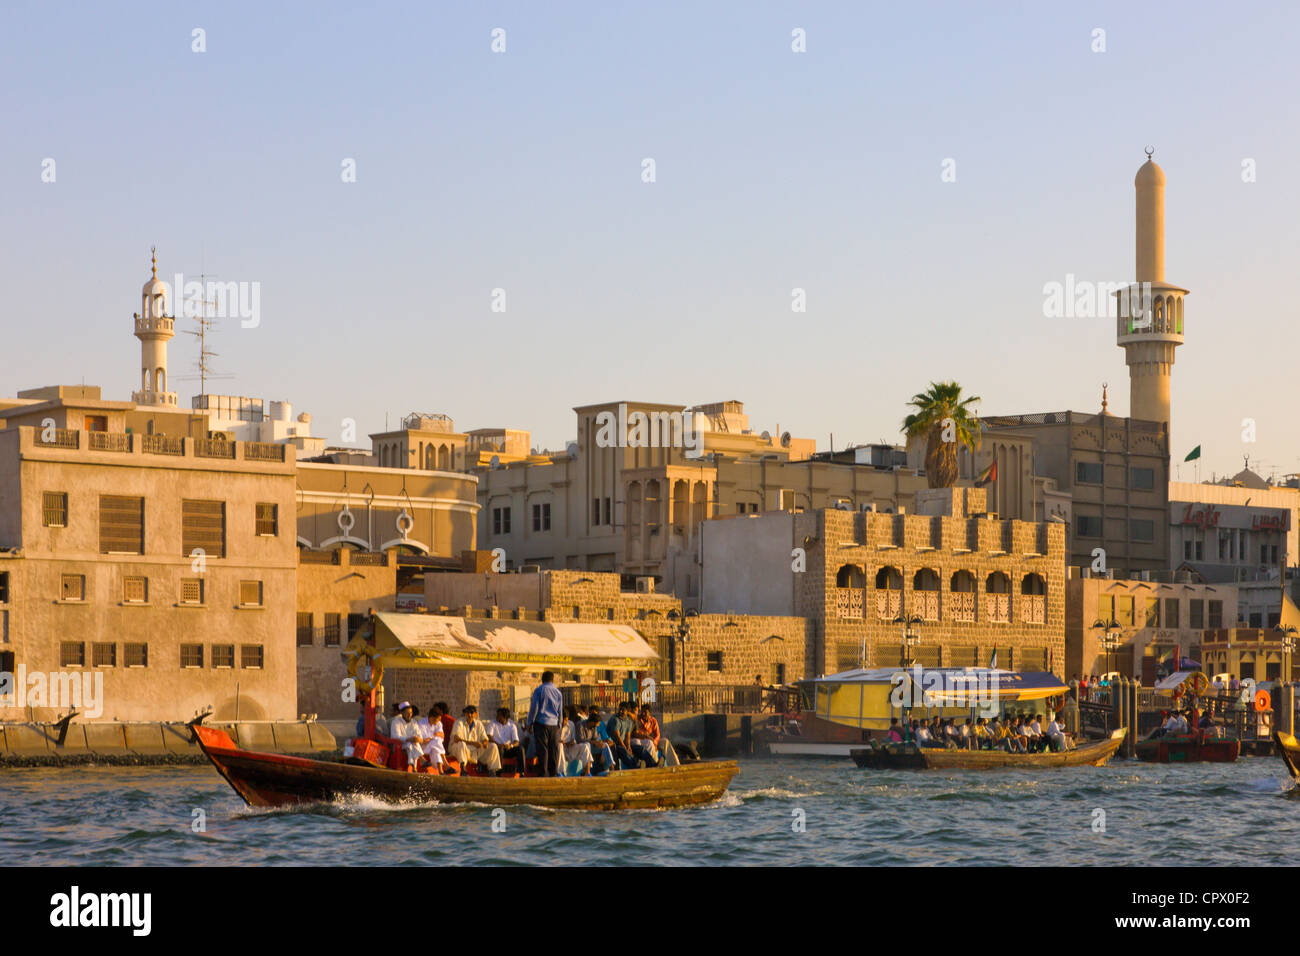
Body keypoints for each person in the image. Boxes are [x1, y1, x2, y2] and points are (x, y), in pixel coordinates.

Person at [527, 671, 564, 777]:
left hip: (541, 723)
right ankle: (553, 773)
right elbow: (560, 711)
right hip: (554, 725)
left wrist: (530, 723)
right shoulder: (558, 693)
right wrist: (559, 725)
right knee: (554, 750)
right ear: (552, 680)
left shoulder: (539, 690)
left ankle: (543, 774)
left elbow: (534, 708)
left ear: (542, 679)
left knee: (543, 750)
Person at [449, 705, 502, 775]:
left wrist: (484, 743)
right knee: (461, 744)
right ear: (465, 714)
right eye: (468, 713)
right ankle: (463, 768)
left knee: (493, 746)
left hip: (474, 750)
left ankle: (492, 771)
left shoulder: (479, 724)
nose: (470, 715)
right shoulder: (459, 722)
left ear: (476, 714)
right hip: (459, 749)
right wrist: (473, 743)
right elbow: (456, 739)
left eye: (472, 713)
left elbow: (485, 738)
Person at [489, 707, 527, 776]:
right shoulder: (493, 723)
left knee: (521, 749)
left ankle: (521, 772)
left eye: (499, 715)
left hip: (508, 748)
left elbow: (516, 741)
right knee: (500, 749)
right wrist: (498, 744)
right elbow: (489, 736)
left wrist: (511, 746)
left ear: (504, 717)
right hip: (497, 747)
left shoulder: (512, 726)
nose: (497, 717)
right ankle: (499, 772)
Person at [389, 701, 425, 771]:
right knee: (410, 744)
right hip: (399, 745)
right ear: (402, 713)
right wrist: (409, 739)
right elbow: (395, 736)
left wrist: (418, 739)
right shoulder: (396, 722)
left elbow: (420, 736)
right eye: (407, 713)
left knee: (413, 744)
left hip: (412, 744)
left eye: (411, 713)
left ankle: (413, 766)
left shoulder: (413, 722)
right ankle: (421, 759)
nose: (410, 715)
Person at [559, 705, 594, 775]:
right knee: (559, 745)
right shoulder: (555, 725)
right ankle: (560, 772)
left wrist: (571, 743)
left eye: (566, 720)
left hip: (569, 750)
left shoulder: (571, 724)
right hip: (560, 751)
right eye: (563, 720)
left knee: (586, 745)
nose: (565, 722)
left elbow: (573, 740)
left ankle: (587, 772)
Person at [605, 702, 640, 769]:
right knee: (623, 751)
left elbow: (628, 736)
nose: (620, 711)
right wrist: (625, 747)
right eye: (620, 709)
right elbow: (617, 737)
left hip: (622, 744)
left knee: (641, 749)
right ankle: (636, 766)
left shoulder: (628, 721)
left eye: (623, 710)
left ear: (627, 711)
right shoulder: (615, 719)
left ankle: (653, 764)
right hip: (614, 744)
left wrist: (629, 746)